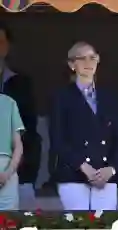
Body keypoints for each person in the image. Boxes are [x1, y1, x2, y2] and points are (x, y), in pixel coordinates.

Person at [49, 41, 118, 210]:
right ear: (71, 65)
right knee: (78, 224)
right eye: (81, 58)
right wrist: (83, 167)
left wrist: (112, 169)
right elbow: (58, 139)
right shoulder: (61, 97)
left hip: (105, 175)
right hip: (73, 174)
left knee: (104, 224)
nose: (88, 63)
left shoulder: (109, 97)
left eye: (92, 58)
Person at [0, 23, 41, 209]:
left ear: (7, 46)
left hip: (15, 170)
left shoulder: (20, 84)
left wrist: (25, 175)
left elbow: (30, 130)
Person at [0, 94, 24, 210]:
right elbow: (18, 146)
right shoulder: (9, 102)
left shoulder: (9, 102)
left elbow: (18, 146)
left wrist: (7, 173)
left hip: (7, 170)